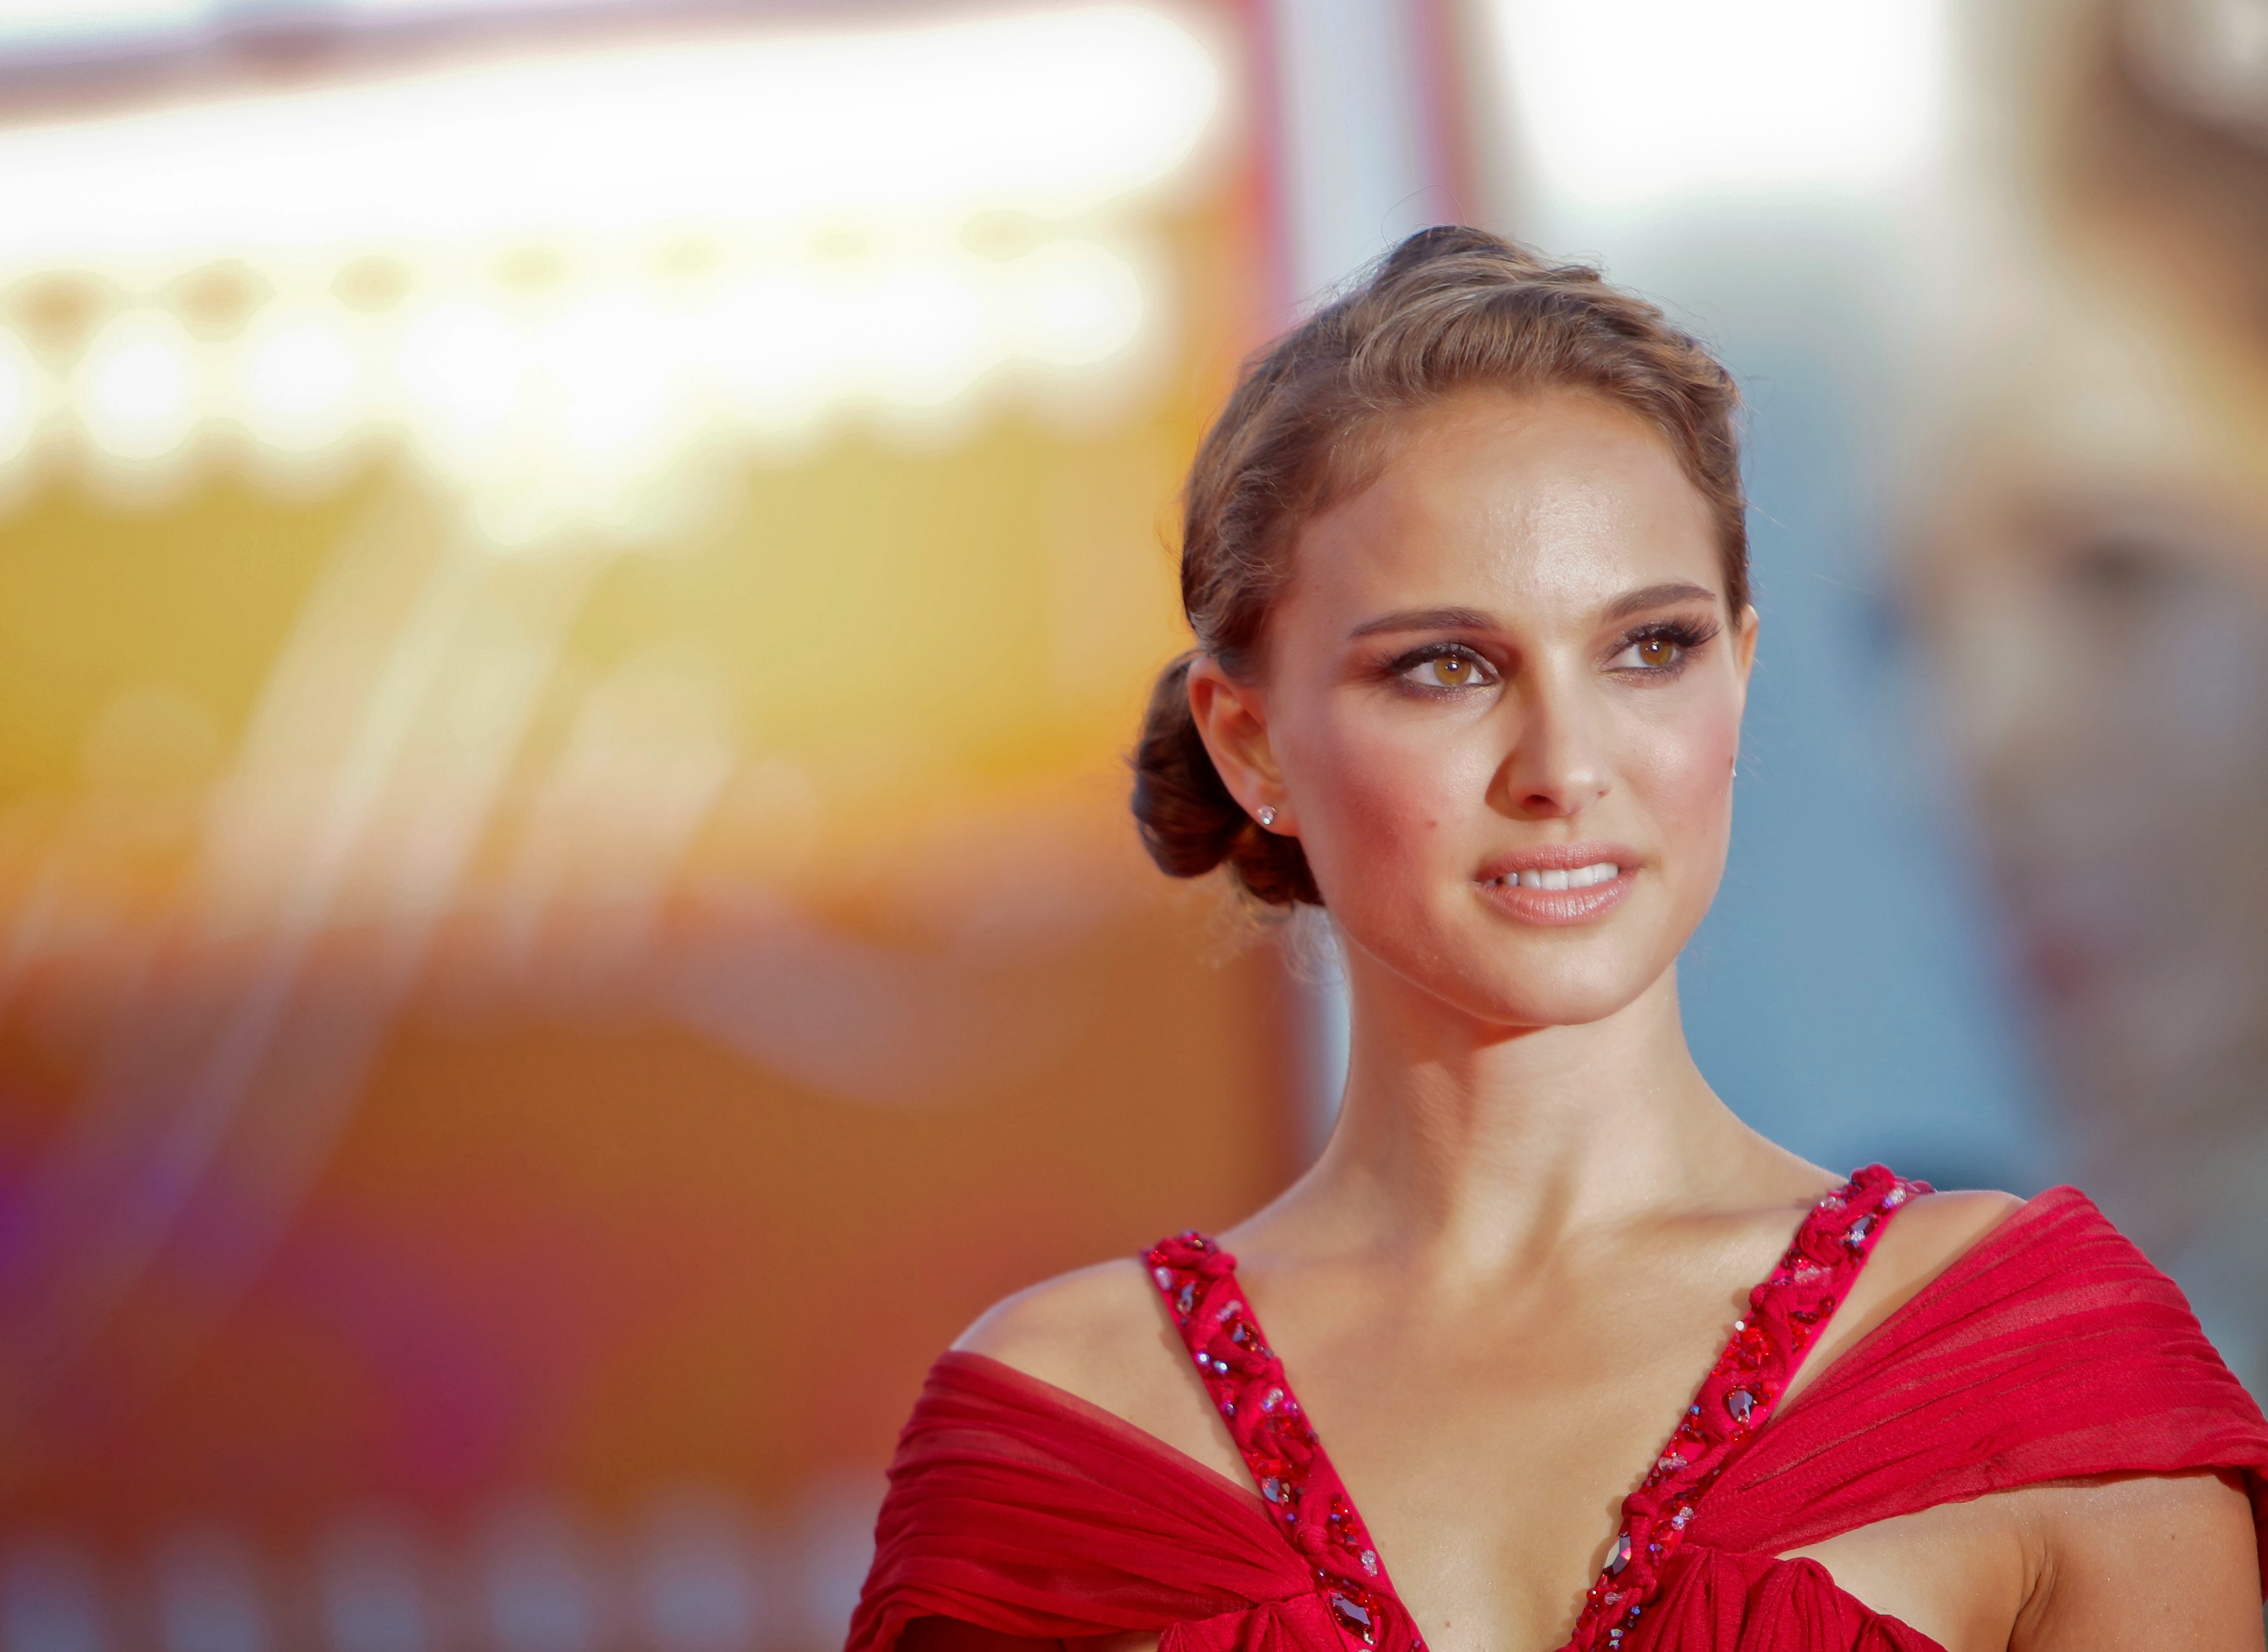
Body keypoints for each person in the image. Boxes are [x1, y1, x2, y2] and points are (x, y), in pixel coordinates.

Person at [844, 229, 2268, 1652]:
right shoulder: (1066, 1440)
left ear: (1741, 673)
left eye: (1649, 647)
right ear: (1250, 742)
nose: (1564, 766)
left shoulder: (2028, 1375)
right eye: (1445, 667)